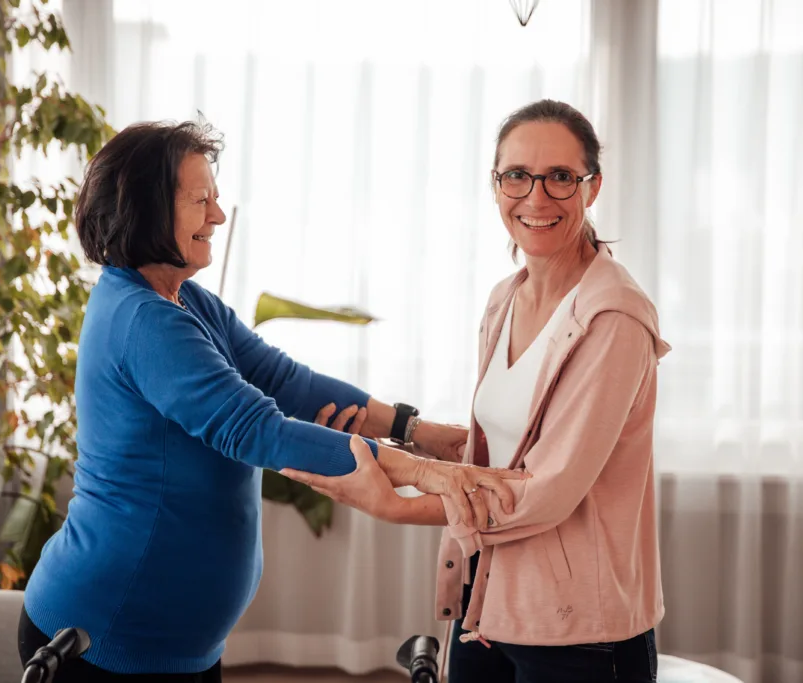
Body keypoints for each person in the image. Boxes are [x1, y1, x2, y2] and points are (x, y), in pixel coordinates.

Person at [16, 120, 528, 683]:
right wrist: (427, 474)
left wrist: (418, 429)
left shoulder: (187, 303)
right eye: (200, 199)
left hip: (175, 645)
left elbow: (288, 382)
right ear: (147, 208)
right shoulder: (143, 321)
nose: (217, 214)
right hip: (103, 639)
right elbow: (260, 429)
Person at [285, 100, 670, 682]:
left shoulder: (613, 318)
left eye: (561, 177)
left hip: (580, 632)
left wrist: (394, 502)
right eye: (516, 175)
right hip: (487, 605)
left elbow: (546, 489)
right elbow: (508, 453)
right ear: (495, 185)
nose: (536, 198)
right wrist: (405, 437)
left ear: (592, 188)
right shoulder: (505, 299)